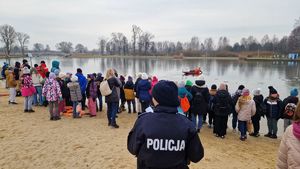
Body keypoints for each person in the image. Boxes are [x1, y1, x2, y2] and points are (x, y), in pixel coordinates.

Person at [127, 80, 204, 169]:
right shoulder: (187, 124)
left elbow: (132, 148)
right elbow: (196, 156)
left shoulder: (143, 121)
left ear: (156, 99)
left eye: (153, 96)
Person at [276, 102, 300, 169]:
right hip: (290, 121)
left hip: (287, 118)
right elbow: (282, 163)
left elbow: (284, 109)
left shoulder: (288, 104)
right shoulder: (290, 131)